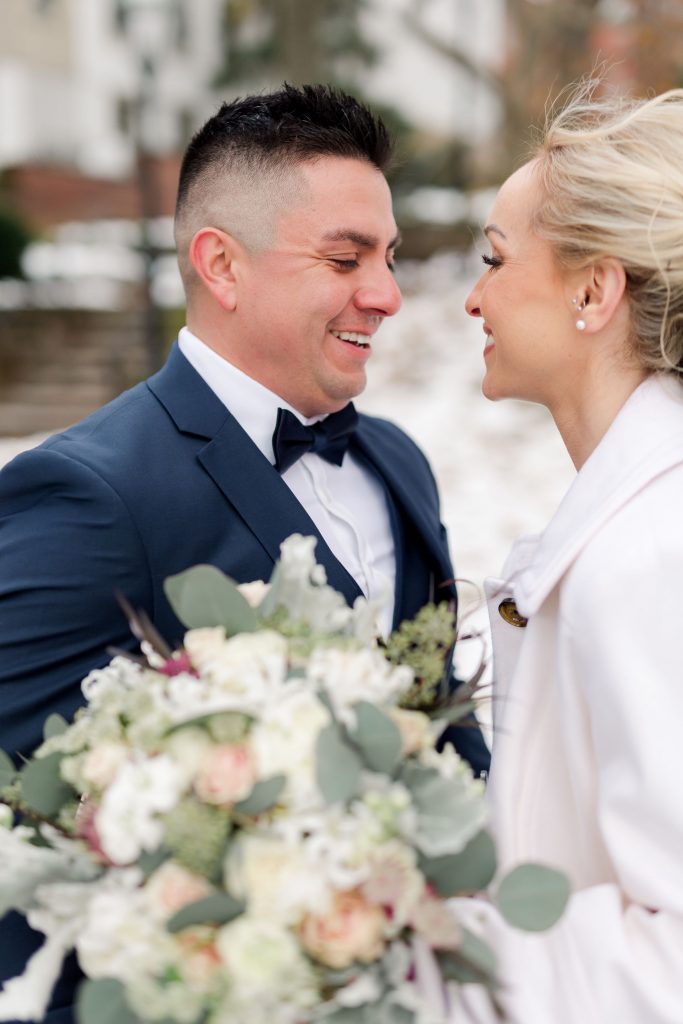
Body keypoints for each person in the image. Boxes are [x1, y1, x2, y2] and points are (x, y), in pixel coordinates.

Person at [0, 84, 489, 1022]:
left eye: (386, 257)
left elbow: (441, 728)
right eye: (345, 258)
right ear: (221, 265)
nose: (385, 294)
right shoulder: (86, 492)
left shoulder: (398, 463)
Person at [446, 84, 683, 1023]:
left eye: (495, 261)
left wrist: (431, 961)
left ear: (594, 290)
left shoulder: (646, 557)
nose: (470, 297)